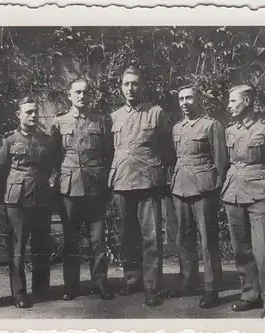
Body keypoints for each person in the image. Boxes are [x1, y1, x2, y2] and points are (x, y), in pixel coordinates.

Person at [222, 84, 265, 318]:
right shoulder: (230, 131)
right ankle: (250, 295)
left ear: (248, 102)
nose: (229, 106)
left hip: (260, 196)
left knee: (264, 252)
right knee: (241, 250)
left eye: (233, 101)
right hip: (233, 194)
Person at [109, 67, 174, 307]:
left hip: (148, 181)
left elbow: (168, 148)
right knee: (126, 235)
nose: (130, 88)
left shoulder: (156, 113)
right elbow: (110, 151)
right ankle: (131, 279)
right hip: (122, 180)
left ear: (143, 86)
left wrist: (161, 174)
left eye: (135, 84)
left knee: (151, 236)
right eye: (126, 84)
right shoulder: (114, 117)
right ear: (120, 87)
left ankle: (152, 286)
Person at [51, 78, 114, 301]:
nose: (81, 96)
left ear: (91, 95)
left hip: (96, 188)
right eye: (77, 92)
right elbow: (54, 156)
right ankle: (71, 286)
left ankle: (100, 284)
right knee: (71, 240)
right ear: (69, 95)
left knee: (98, 240)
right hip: (69, 189)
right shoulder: (59, 122)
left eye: (85, 92)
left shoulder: (102, 121)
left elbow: (109, 153)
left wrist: (105, 181)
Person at [167, 85, 228, 308]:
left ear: (198, 99)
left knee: (208, 239)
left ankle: (212, 288)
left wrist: (217, 187)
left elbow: (221, 161)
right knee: (183, 236)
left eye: (189, 98)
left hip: (204, 188)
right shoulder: (177, 128)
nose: (185, 102)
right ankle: (188, 281)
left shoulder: (211, 125)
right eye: (181, 99)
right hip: (180, 187)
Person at [0, 96, 57, 308]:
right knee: (18, 248)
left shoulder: (45, 140)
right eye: (28, 112)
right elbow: (1, 168)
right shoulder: (9, 140)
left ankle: (41, 288)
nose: (33, 115)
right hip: (17, 200)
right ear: (18, 115)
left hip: (41, 197)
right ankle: (19, 293)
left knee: (42, 245)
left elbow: (50, 166)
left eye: (35, 111)